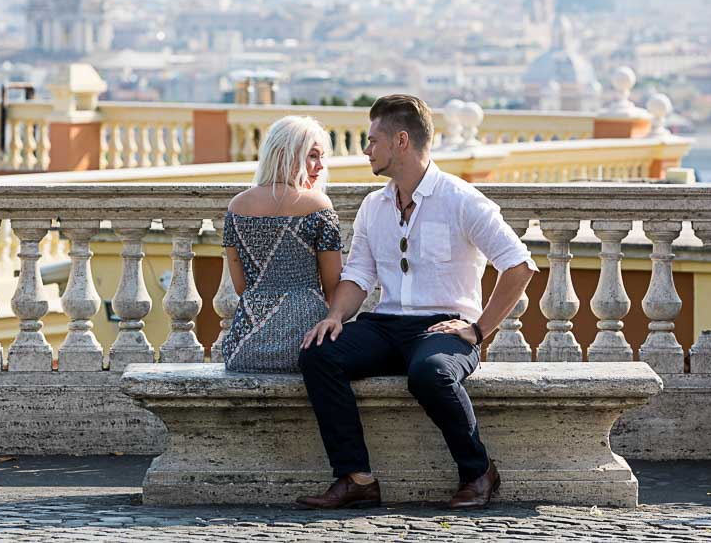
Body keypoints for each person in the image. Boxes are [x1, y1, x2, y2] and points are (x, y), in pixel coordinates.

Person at [296, 94, 536, 510]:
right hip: (386, 324)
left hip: (445, 327)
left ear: (401, 141)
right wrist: (335, 316)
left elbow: (520, 266)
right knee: (319, 353)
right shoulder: (375, 206)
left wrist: (478, 329)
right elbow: (358, 276)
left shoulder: (462, 200)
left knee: (429, 373)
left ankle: (478, 471)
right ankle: (355, 477)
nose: (366, 149)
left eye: (373, 140)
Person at [221, 115, 343, 373]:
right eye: (313, 156)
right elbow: (333, 288)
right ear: (285, 154)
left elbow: (242, 286)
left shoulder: (237, 207)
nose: (320, 166)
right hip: (307, 342)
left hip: (246, 347)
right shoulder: (319, 206)